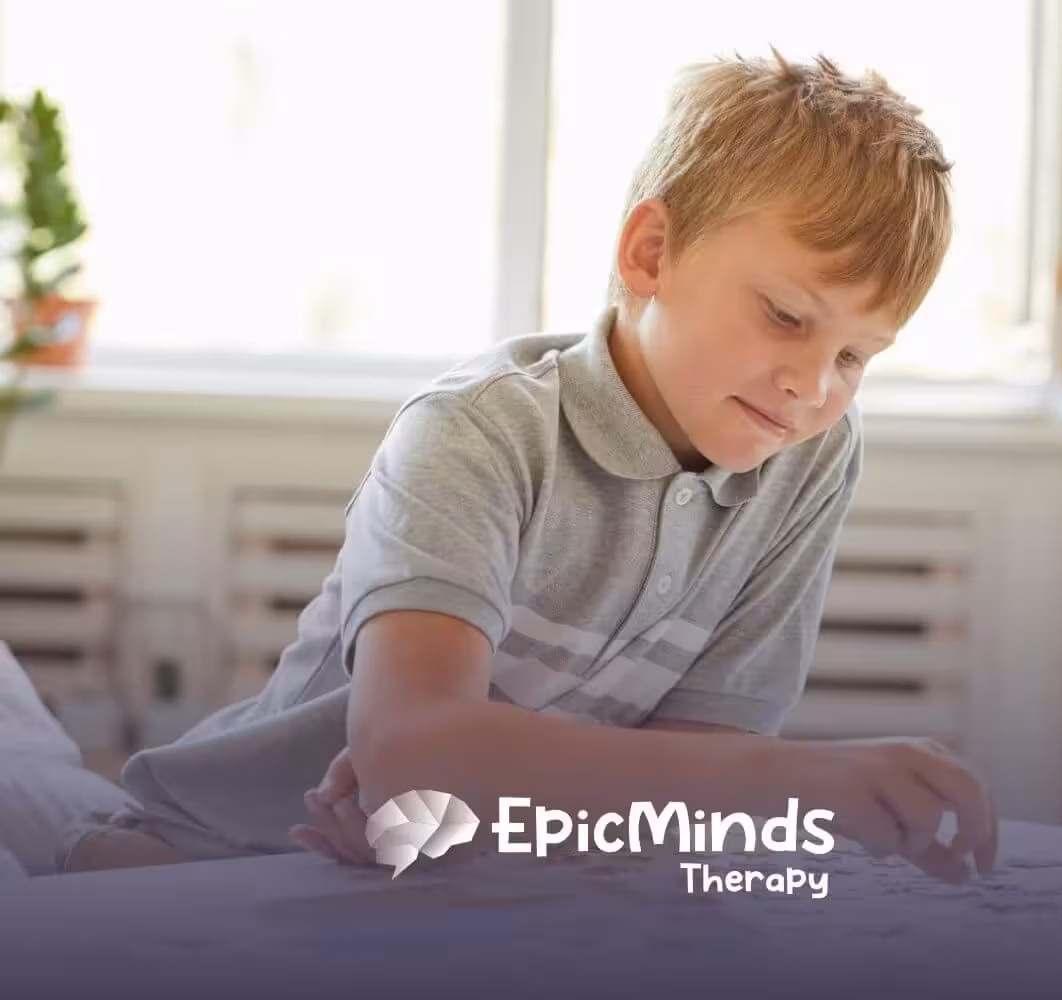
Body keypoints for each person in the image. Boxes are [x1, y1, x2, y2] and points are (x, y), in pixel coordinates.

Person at [13, 49, 997, 881]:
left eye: (856, 356)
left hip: (431, 876)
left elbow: (698, 764)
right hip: (203, 854)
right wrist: (809, 785)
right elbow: (411, 746)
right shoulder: (474, 434)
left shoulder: (810, 458)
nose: (811, 386)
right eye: (786, 315)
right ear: (651, 252)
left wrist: (470, 822)